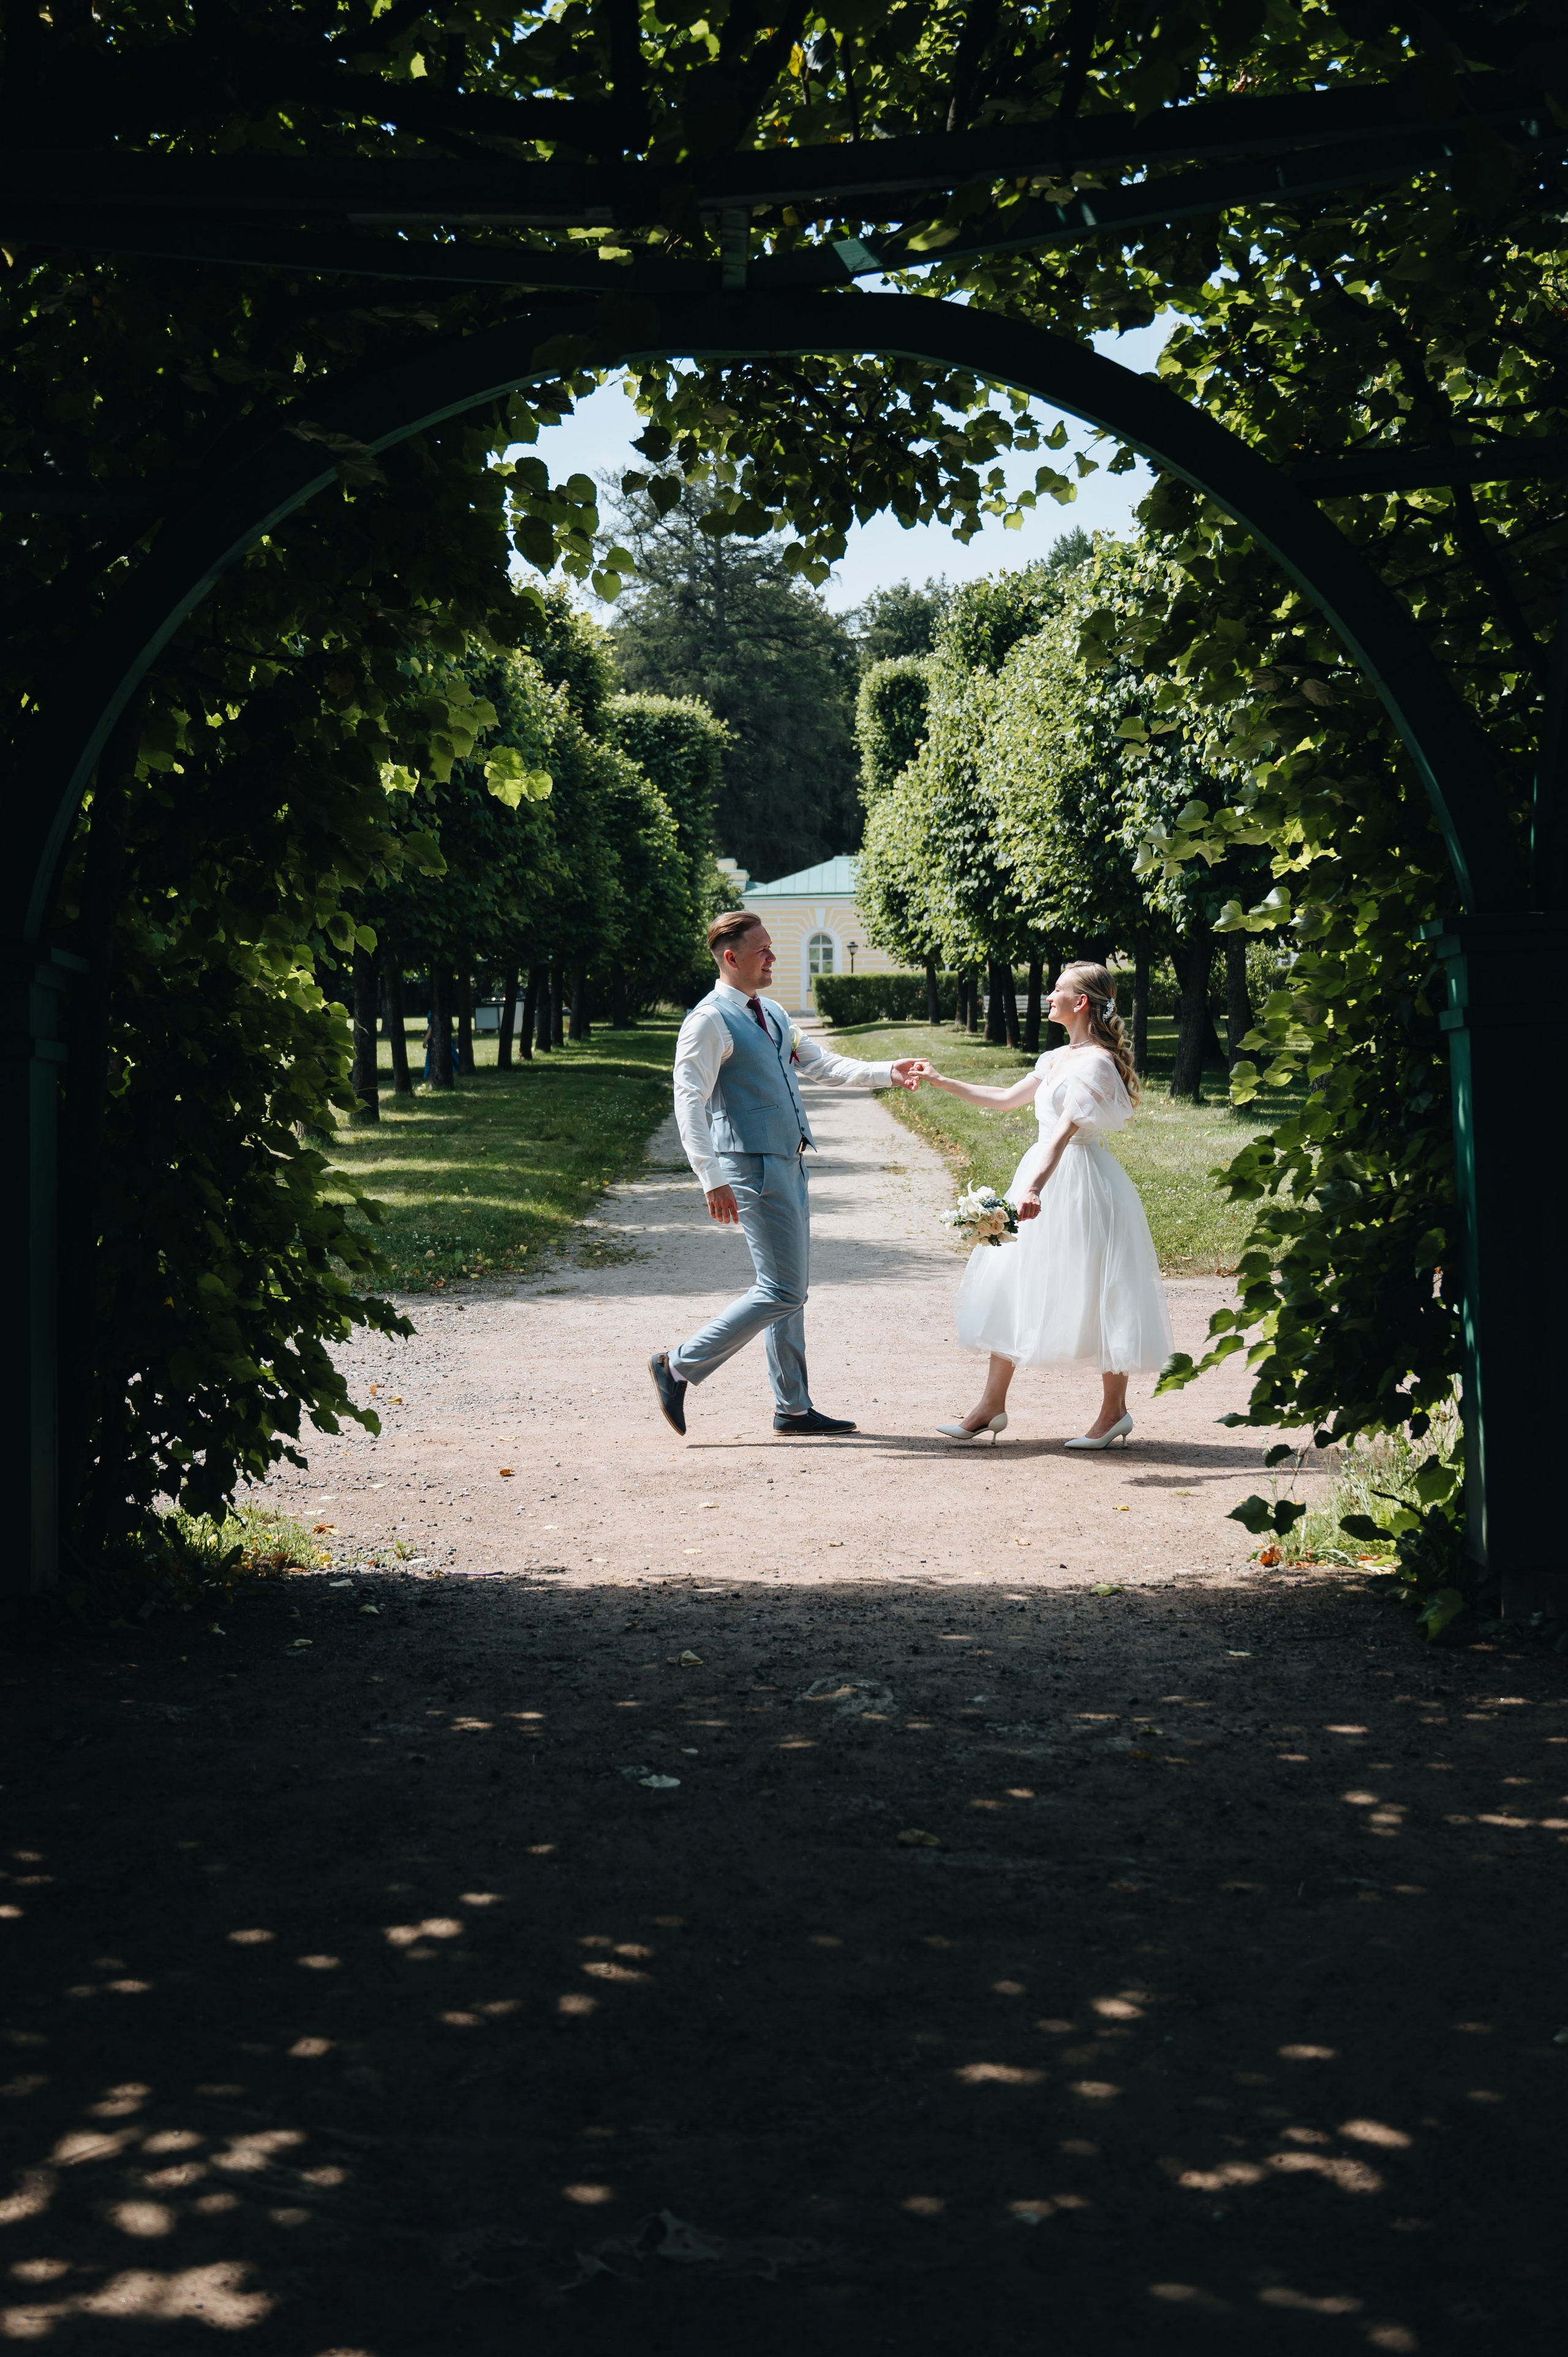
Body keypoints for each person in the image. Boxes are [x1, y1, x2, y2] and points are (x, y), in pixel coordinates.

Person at [649, 911, 921, 1438]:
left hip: (789, 1162)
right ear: (732, 958)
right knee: (783, 1290)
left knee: (788, 1288)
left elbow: (823, 1064)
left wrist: (888, 1072)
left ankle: (792, 1408)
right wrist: (711, 1177)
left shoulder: (772, 1013)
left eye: (772, 947)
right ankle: (677, 1364)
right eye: (763, 950)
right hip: (750, 1168)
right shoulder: (708, 1021)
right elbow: (689, 1103)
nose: (773, 957)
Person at [912, 960, 1174, 1448]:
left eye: (1058, 990)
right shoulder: (1055, 1058)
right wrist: (941, 1081)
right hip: (1042, 1175)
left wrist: (1033, 1188)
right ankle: (990, 1406)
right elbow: (1004, 1098)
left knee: (1101, 1288)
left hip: (1080, 1184)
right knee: (1014, 1280)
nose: (1049, 996)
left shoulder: (1096, 1063)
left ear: (1081, 1002)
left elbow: (1063, 1135)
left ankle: (1114, 1412)